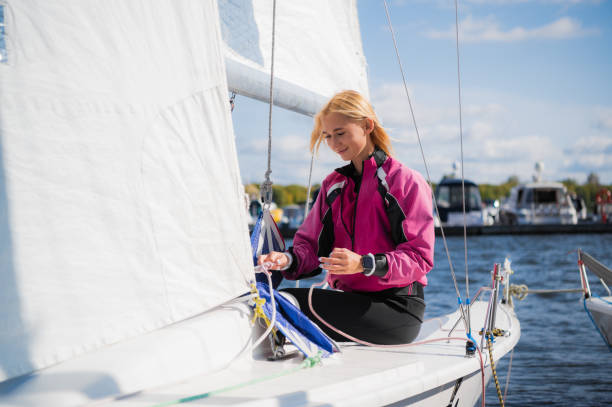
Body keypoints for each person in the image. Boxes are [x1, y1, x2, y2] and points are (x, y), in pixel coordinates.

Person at [258, 90, 434, 345]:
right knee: (272, 302)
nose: (333, 143)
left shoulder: (405, 182)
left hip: (398, 309)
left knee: (287, 304)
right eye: (327, 136)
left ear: (367, 126)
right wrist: (286, 259)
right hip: (350, 303)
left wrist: (364, 264)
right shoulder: (333, 186)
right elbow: (311, 250)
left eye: (340, 133)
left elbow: (419, 257)